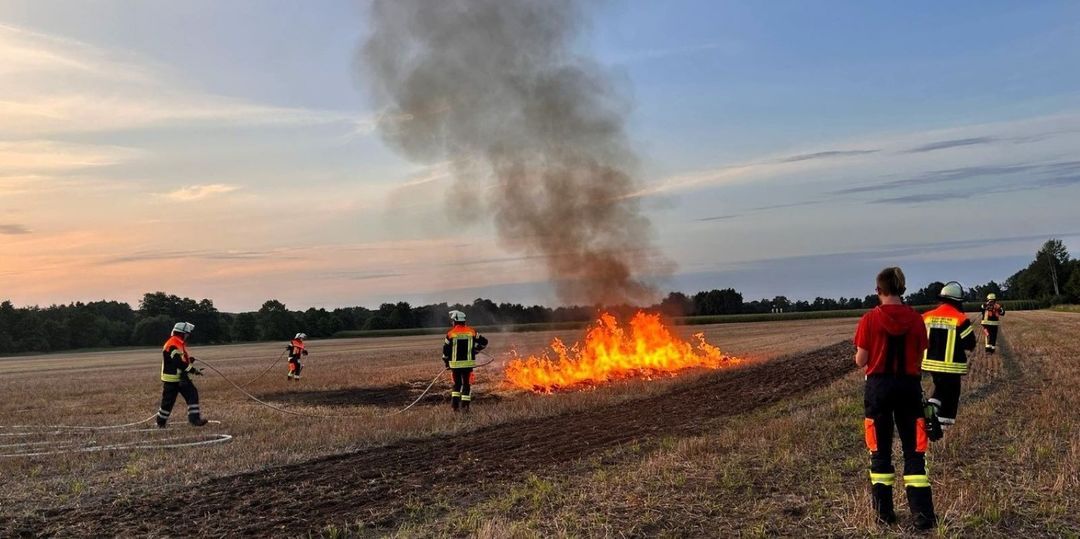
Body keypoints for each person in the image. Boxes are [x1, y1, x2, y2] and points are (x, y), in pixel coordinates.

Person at [854, 267, 936, 529]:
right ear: (902, 289)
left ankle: (883, 514)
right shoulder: (916, 320)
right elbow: (920, 353)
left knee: (880, 452)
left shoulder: (869, 319)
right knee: (914, 452)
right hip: (909, 388)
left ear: (878, 290)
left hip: (878, 389)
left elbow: (861, 361)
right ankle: (922, 517)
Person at [922, 281, 978, 432]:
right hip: (951, 366)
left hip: (930, 364)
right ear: (958, 301)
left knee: (940, 387)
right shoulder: (960, 318)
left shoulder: (926, 317)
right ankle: (942, 425)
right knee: (952, 393)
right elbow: (970, 344)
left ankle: (932, 408)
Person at [156, 322, 209, 428]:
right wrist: (193, 370)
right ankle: (161, 422)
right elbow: (178, 363)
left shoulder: (177, 342)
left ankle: (194, 419)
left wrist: (189, 360)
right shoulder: (173, 344)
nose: (188, 336)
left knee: (191, 395)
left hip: (179, 377)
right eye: (187, 334)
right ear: (182, 333)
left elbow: (180, 360)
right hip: (173, 379)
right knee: (169, 402)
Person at [442, 310, 488, 412]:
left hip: (455, 365)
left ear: (455, 321)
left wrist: (446, 363)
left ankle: (455, 407)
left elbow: (445, 351)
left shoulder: (450, 334)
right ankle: (465, 407)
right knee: (466, 385)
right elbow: (484, 342)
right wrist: (477, 349)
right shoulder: (472, 332)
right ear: (464, 321)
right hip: (468, 364)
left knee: (457, 385)